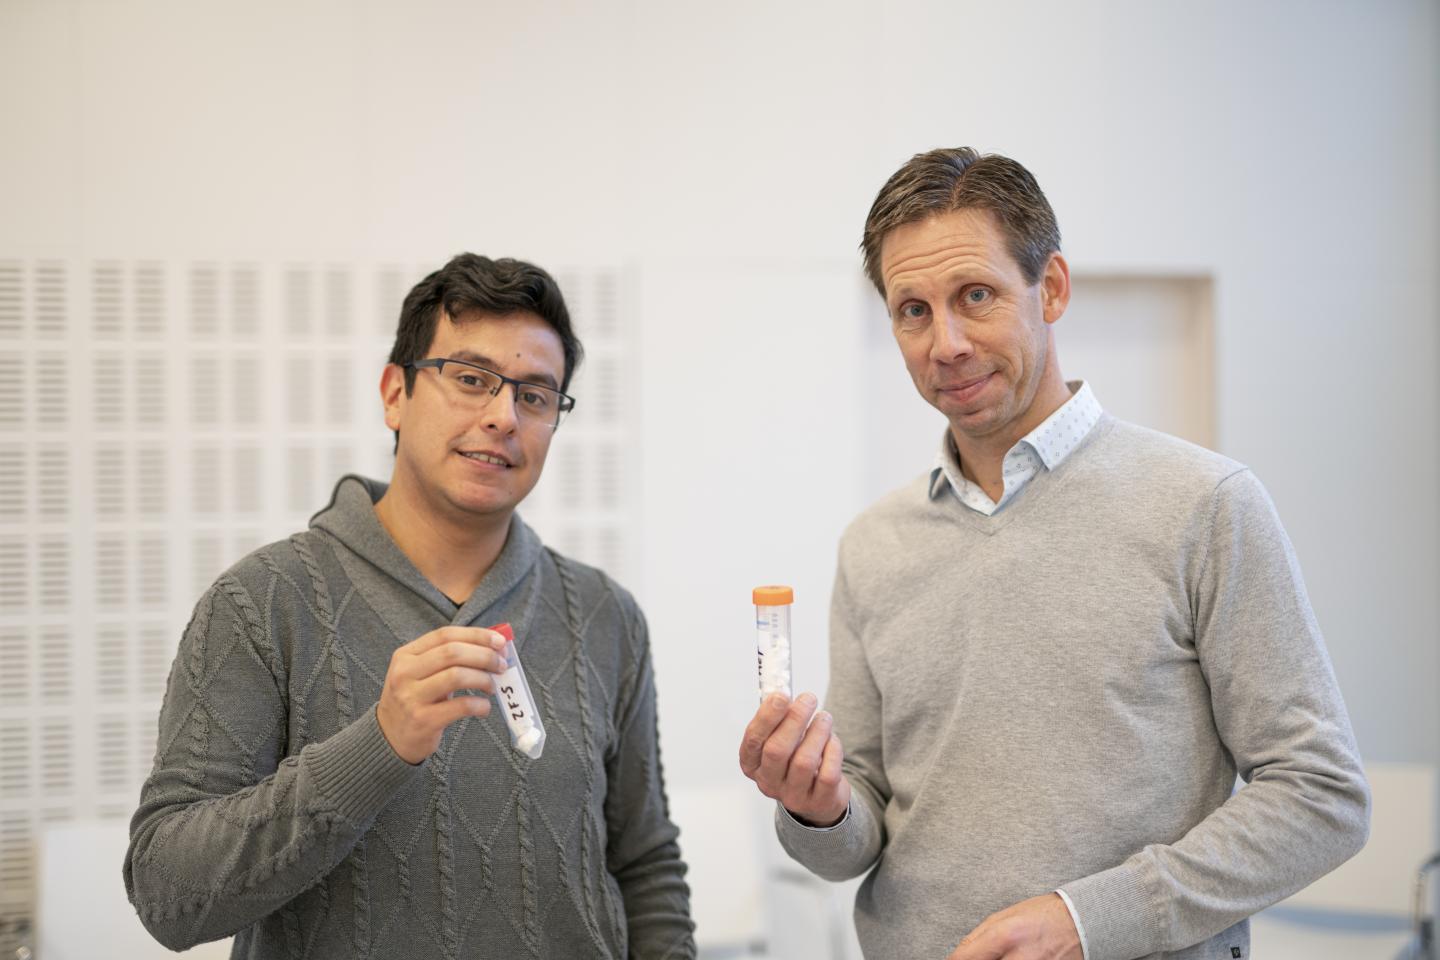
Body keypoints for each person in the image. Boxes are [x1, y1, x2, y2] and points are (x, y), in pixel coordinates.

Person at [738, 148, 1370, 960]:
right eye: (913, 310)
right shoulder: (874, 547)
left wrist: (1090, 920)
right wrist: (816, 807)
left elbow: (1322, 797)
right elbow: (858, 835)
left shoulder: (1206, 505)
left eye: (976, 295)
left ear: (1054, 288)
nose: (948, 343)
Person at [126, 253, 696, 959]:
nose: (502, 416)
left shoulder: (606, 617)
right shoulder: (261, 603)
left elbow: (646, 868)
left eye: (536, 396)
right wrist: (378, 746)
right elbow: (166, 893)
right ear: (395, 393)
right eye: (470, 380)